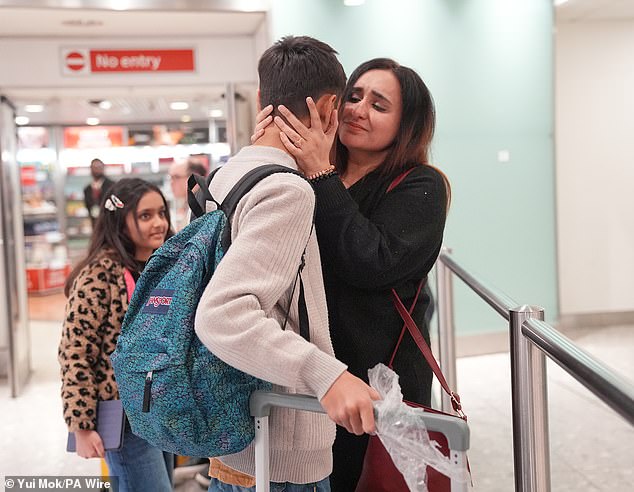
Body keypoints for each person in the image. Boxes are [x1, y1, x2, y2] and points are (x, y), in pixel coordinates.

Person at [193, 36, 380, 492]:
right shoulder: (288, 190)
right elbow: (221, 313)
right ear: (331, 109)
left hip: (234, 427)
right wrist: (328, 375)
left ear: (262, 100)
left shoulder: (227, 174)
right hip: (280, 450)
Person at [256, 57, 451, 491]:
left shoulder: (421, 185)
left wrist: (320, 173)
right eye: (355, 96)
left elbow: (370, 262)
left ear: (406, 125)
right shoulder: (309, 173)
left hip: (378, 379)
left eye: (379, 106)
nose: (358, 109)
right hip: (308, 370)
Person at [59, 178, 175, 492]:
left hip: (157, 408)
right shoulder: (101, 273)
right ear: (121, 222)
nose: (159, 223)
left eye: (162, 213)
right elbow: (76, 351)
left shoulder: (160, 264)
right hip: (122, 414)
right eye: (146, 215)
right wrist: (81, 425)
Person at [168, 157, 208, 231]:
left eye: (176, 177)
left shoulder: (204, 207)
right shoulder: (185, 205)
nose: (171, 182)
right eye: (170, 178)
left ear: (194, 178)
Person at [83, 158, 115, 225]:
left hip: (110, 224)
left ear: (103, 168)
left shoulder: (112, 186)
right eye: (94, 167)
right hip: (95, 224)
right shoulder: (87, 189)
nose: (96, 170)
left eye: (99, 167)